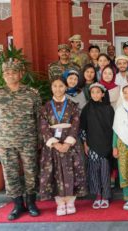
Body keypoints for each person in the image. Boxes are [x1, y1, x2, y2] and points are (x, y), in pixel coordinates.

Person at [0, 60, 42, 220]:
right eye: (7, 73)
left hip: (28, 141)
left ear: (21, 74)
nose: (10, 76)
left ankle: (32, 203)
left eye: (13, 72)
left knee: (31, 173)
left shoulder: (32, 93)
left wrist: (39, 140)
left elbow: (39, 118)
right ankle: (17, 205)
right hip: (6, 142)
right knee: (10, 175)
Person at [39, 77, 87, 216]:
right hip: (52, 147)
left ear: (66, 87)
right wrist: (54, 143)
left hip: (70, 145)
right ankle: (60, 203)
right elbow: (43, 126)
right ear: (51, 88)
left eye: (61, 86)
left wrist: (67, 143)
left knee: (72, 170)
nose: (58, 89)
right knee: (54, 172)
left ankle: (71, 201)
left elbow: (76, 123)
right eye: (55, 86)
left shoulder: (73, 105)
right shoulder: (46, 107)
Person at [80, 83, 115, 209]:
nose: (95, 94)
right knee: (94, 170)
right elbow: (82, 127)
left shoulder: (109, 108)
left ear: (103, 94)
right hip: (92, 144)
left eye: (98, 92)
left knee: (105, 170)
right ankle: (98, 195)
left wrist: (113, 145)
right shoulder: (86, 109)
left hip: (106, 144)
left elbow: (113, 128)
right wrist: (85, 143)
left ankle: (106, 195)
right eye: (92, 92)